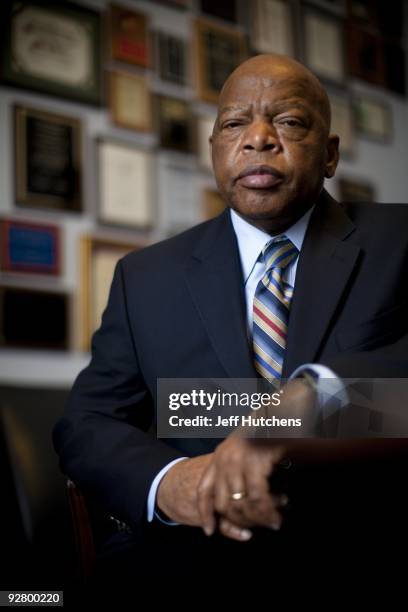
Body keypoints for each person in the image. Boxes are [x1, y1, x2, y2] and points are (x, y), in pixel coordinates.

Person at [53, 54, 408, 584]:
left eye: (288, 121)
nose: (258, 138)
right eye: (235, 123)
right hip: (195, 558)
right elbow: (87, 422)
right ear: (214, 148)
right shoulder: (144, 277)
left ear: (330, 154)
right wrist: (170, 482)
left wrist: (301, 407)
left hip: (366, 549)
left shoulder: (399, 240)